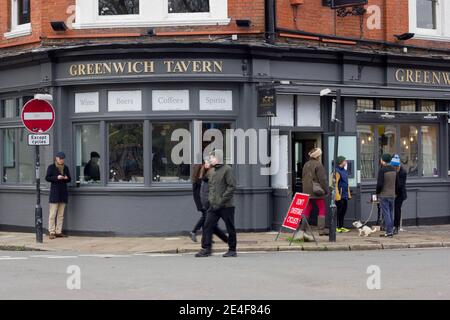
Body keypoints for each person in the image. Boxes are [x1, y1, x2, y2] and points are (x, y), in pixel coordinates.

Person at [196, 150, 237, 258]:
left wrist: (222, 200)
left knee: (230, 227)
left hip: (226, 206)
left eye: (212, 157)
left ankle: (232, 250)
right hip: (213, 205)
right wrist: (205, 168)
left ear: (218, 158)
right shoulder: (212, 170)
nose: (210, 159)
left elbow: (231, 186)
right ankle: (206, 249)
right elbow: (203, 179)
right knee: (207, 225)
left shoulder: (227, 169)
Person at [190, 159, 229, 243]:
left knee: (208, 220)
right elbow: (204, 190)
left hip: (202, 200)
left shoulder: (199, 171)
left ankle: (206, 239)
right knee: (207, 219)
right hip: (204, 200)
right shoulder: (203, 174)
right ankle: (196, 233)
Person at [301, 148, 329, 237]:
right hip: (316, 191)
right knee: (322, 208)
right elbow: (323, 180)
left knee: (307, 208)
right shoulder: (319, 165)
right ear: (318, 156)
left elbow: (303, 177)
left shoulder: (306, 164)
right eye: (319, 155)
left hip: (306, 191)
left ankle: (302, 229)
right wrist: (326, 190)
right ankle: (321, 230)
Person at [45, 152, 71, 240]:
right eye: (60, 158)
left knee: (61, 214)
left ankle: (58, 231)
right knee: (53, 214)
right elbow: (47, 178)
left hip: (63, 193)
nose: (61, 160)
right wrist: (57, 177)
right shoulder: (51, 167)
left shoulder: (66, 168)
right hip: (55, 194)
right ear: (56, 158)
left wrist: (66, 178)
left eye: (63, 158)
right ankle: (51, 232)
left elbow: (69, 179)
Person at [376, 153, 398, 238]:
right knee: (390, 213)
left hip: (384, 194)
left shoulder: (382, 170)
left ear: (384, 161)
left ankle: (389, 232)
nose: (380, 160)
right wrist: (395, 192)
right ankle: (390, 230)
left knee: (386, 213)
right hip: (392, 195)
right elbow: (397, 183)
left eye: (381, 159)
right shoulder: (394, 169)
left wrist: (377, 192)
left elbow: (380, 184)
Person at [391, 154, 407, 235]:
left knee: (397, 209)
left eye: (396, 167)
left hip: (400, 194)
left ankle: (396, 226)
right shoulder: (392, 169)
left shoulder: (403, 172)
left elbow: (400, 185)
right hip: (392, 192)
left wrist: (395, 193)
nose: (395, 168)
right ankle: (389, 225)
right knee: (389, 209)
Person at [335, 156, 351, 233]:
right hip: (339, 195)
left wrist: (348, 194)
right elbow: (335, 184)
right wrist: (337, 195)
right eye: (345, 161)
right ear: (341, 162)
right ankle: (337, 227)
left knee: (343, 211)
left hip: (344, 195)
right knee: (339, 211)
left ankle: (341, 227)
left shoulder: (344, 171)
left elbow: (346, 183)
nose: (346, 162)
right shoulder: (337, 171)